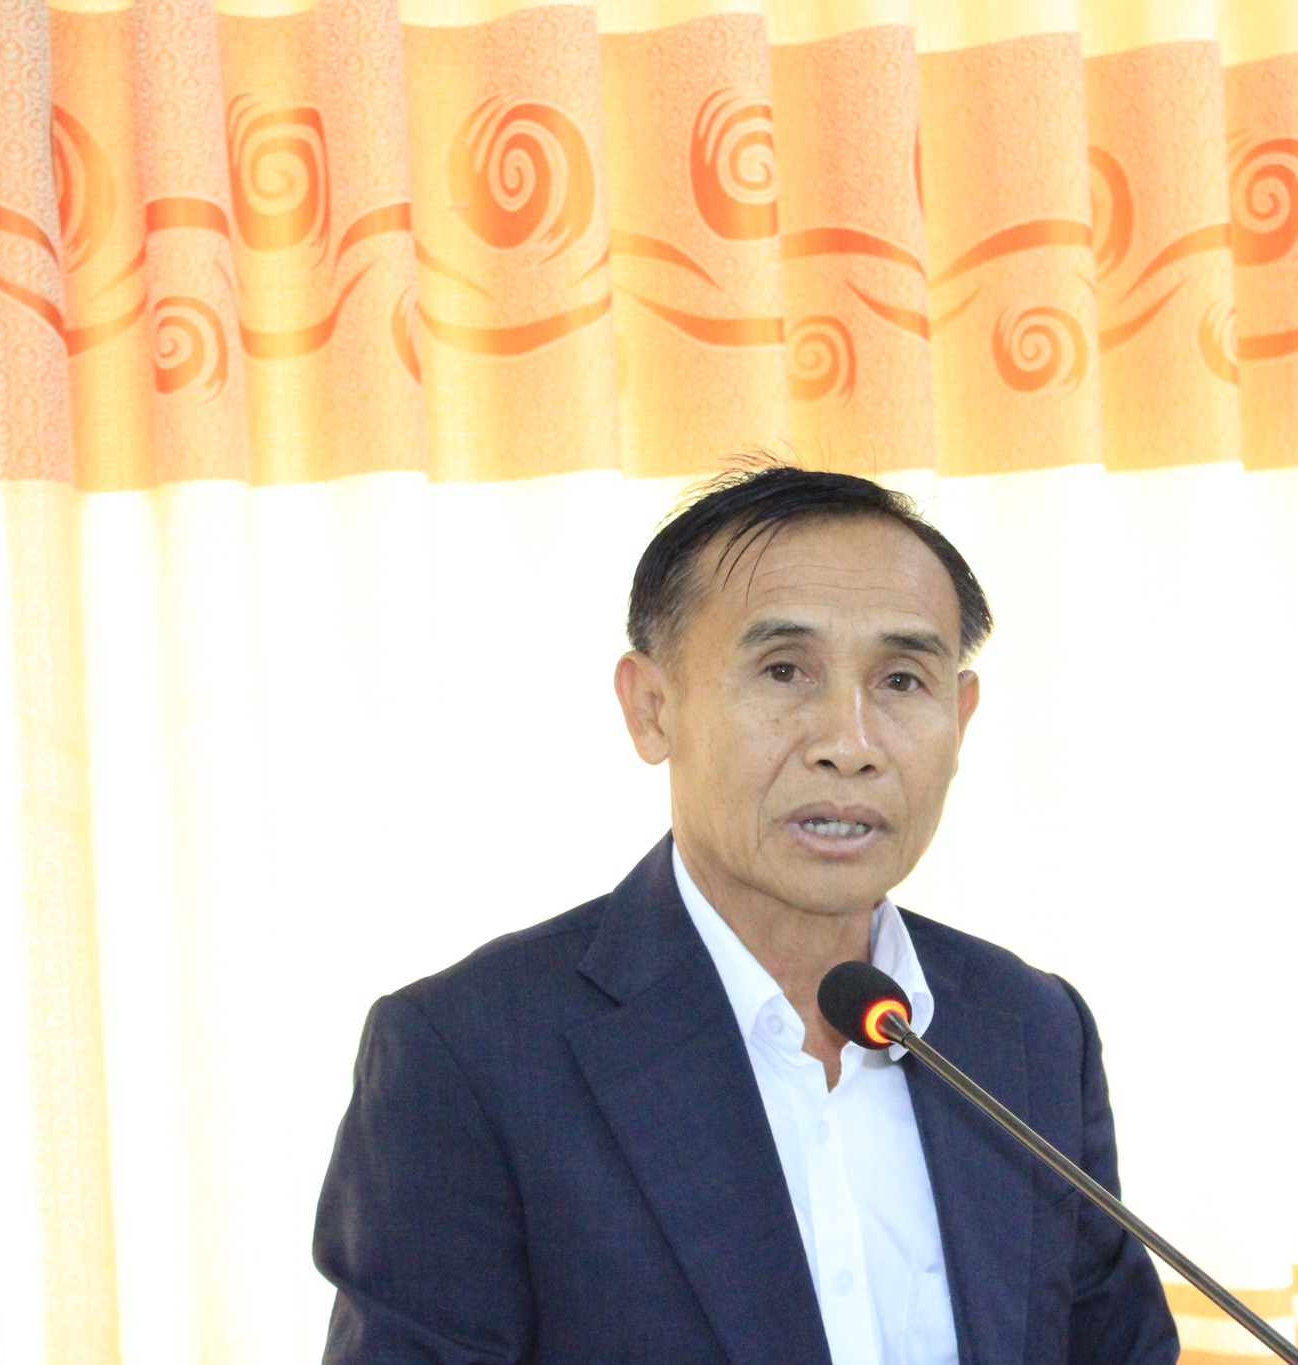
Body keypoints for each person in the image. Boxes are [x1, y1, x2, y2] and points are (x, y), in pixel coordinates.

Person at [313, 462, 1179, 1365]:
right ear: (652, 709)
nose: (850, 744)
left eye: (901, 681)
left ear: (960, 719)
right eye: (784, 669)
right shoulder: (472, 1054)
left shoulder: (1032, 1031)